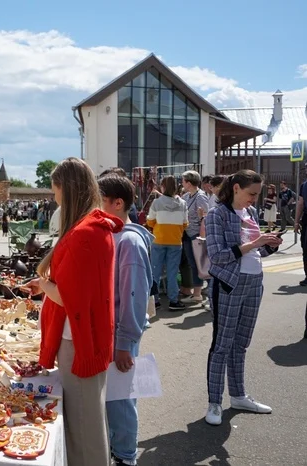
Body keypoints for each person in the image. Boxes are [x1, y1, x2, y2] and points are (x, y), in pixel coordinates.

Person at [30, 157, 122, 466]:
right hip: (89, 337)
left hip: (78, 340)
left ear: (65, 190)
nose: (54, 197)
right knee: (90, 422)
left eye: (55, 190)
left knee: (84, 428)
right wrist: (45, 284)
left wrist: (45, 287)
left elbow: (71, 299)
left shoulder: (84, 233)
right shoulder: (93, 227)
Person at [204, 170, 281, 426]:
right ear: (236, 188)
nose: (255, 199)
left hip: (253, 282)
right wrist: (255, 242)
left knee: (241, 344)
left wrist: (269, 245)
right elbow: (217, 256)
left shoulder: (250, 213)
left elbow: (255, 253)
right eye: (252, 194)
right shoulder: (218, 214)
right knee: (222, 344)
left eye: (257, 195)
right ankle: (215, 402)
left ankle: (238, 395)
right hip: (228, 283)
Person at [99, 174, 153, 466]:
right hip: (114, 332)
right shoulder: (117, 234)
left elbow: (133, 296)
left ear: (117, 203)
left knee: (121, 399)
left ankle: (125, 456)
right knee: (115, 397)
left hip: (120, 335)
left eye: (100, 201)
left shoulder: (129, 240)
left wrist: (124, 342)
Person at [146, 176, 188, 311]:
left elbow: (150, 221)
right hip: (175, 241)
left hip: (158, 240)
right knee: (172, 272)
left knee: (155, 271)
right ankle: (173, 300)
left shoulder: (156, 203)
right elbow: (185, 223)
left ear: (163, 187)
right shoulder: (182, 203)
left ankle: (155, 301)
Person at [180, 171, 209, 305]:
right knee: (193, 264)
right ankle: (197, 293)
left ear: (189, 183)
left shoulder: (201, 197)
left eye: (183, 181)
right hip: (187, 233)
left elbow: (205, 218)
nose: (182, 183)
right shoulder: (186, 196)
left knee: (200, 263)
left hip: (197, 235)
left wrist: (199, 216)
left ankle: (201, 292)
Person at [293, 163, 307, 286]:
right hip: (306, 220)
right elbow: (301, 203)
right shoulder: (304, 185)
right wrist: (296, 222)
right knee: (305, 249)